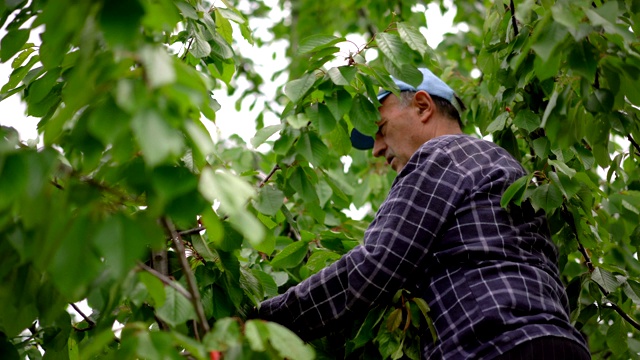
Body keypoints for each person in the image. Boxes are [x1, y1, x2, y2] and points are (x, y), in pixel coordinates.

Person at [257, 68, 590, 359]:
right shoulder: (500, 165)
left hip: (495, 347)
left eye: (380, 128)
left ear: (422, 105)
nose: (376, 149)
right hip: (555, 342)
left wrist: (264, 323)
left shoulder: (445, 152)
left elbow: (374, 266)